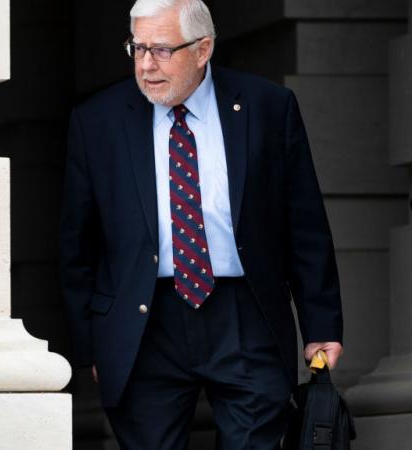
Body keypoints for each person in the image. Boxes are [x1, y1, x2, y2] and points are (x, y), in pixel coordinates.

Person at [58, 0, 344, 448]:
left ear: (202, 49)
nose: (146, 65)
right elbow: (77, 244)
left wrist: (321, 324)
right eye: (137, 48)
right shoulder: (98, 120)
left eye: (161, 50)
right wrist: (92, 346)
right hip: (142, 322)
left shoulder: (267, 107)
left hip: (245, 314)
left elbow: (304, 223)